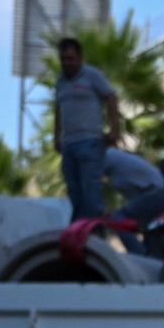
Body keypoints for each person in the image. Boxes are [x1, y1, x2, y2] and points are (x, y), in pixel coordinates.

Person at [52, 36, 121, 222]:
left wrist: (115, 129)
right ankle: (76, 236)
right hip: (68, 144)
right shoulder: (60, 81)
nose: (67, 63)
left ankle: (95, 238)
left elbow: (111, 98)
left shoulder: (92, 75)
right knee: (74, 194)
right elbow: (58, 108)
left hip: (90, 142)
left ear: (80, 57)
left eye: (71, 59)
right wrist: (56, 136)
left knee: (91, 193)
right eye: (63, 59)